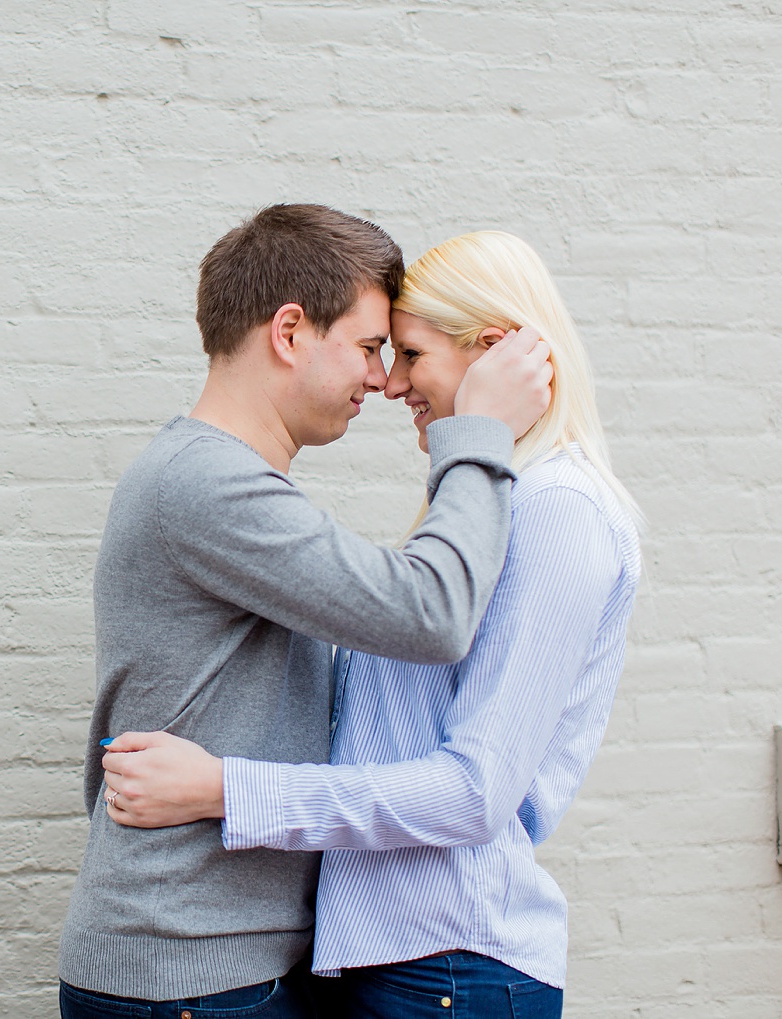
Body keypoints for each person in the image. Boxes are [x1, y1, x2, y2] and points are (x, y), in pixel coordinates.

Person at [100, 230, 642, 1019]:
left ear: (492, 352)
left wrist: (227, 788)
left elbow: (475, 792)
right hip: (394, 959)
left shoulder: (559, 512)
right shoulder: (492, 500)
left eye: (410, 354)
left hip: (452, 961)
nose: (389, 382)